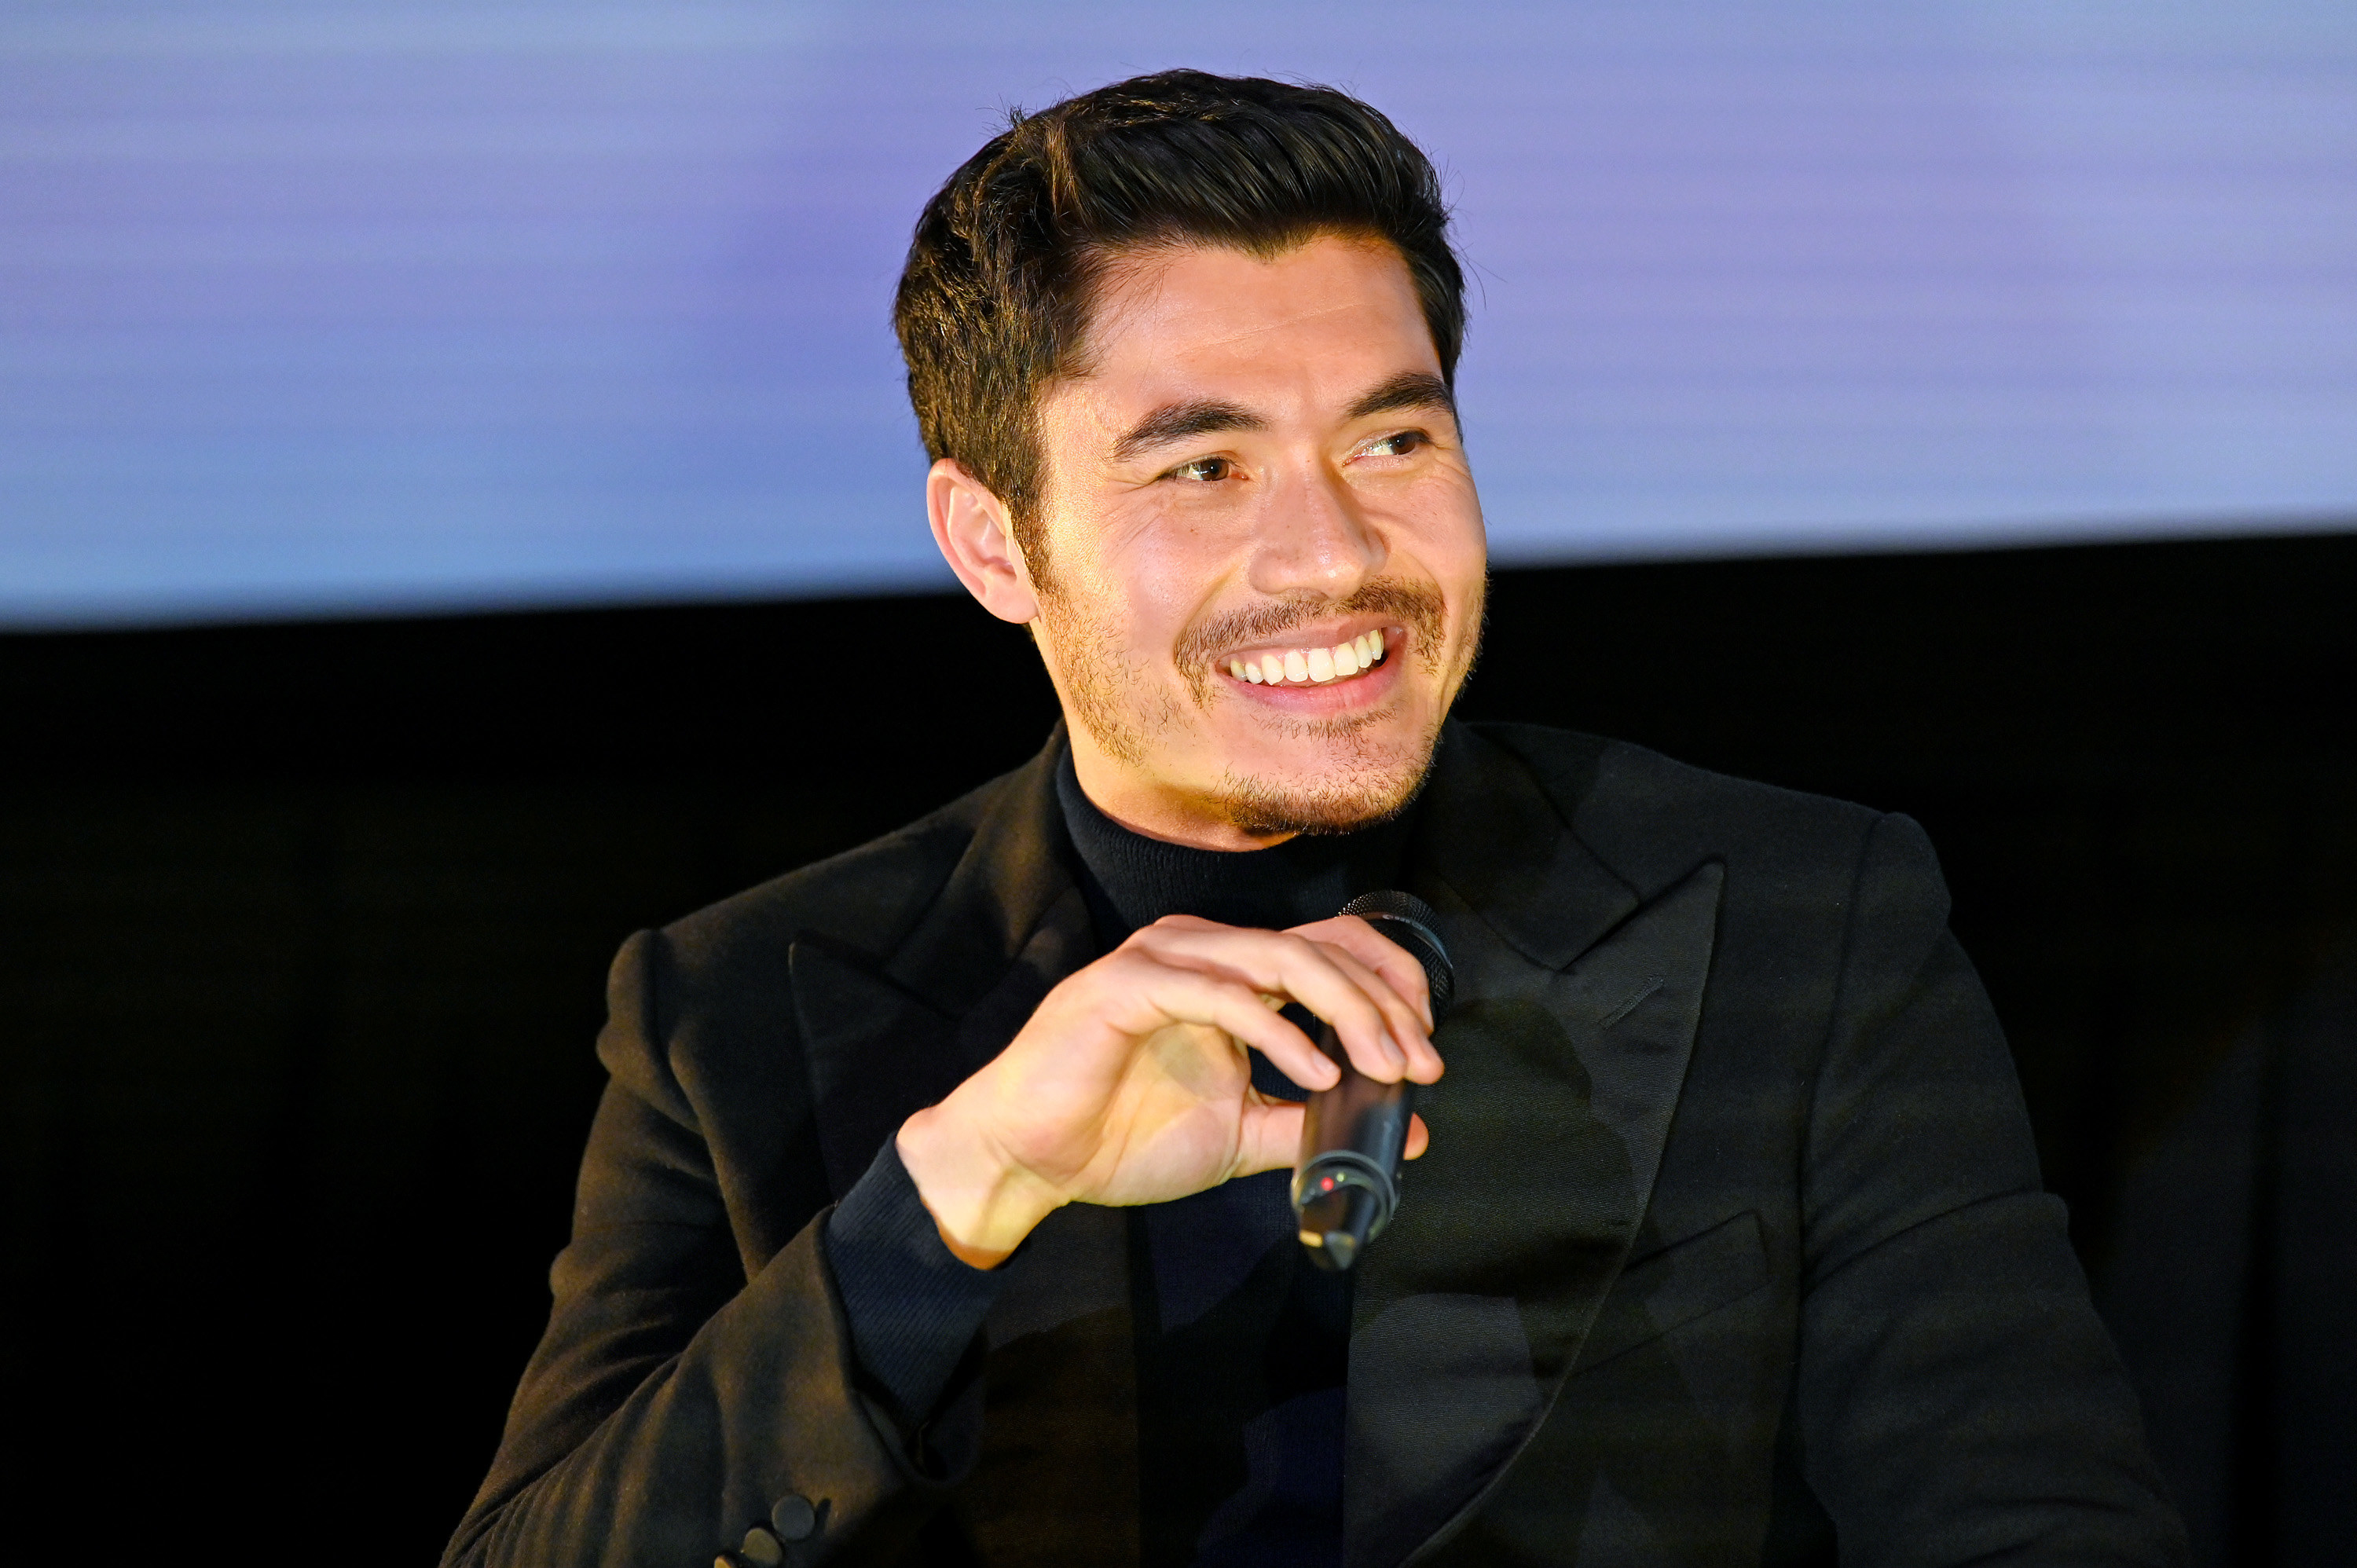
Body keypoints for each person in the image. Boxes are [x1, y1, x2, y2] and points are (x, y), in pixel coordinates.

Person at [442, 71, 2186, 1568]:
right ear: (992, 543)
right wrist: (966, 1183)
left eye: (1395, 441)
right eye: (1202, 468)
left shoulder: (1806, 917)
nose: (1338, 554)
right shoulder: (733, 1004)